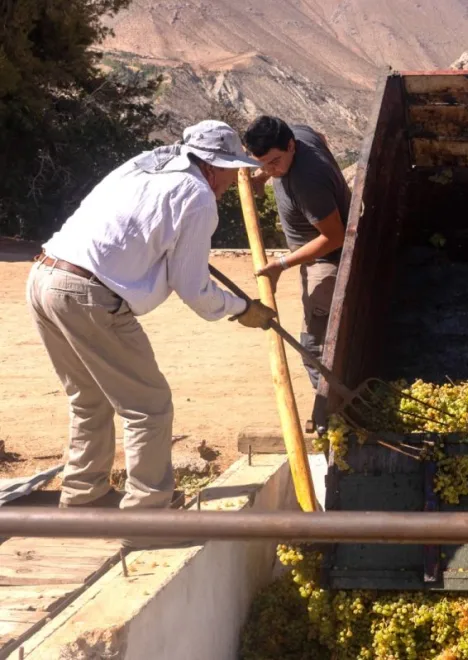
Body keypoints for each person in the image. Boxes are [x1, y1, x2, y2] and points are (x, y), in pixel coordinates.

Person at [27, 120, 276, 517]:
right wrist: (243, 309)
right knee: (149, 407)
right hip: (89, 294)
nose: (232, 180)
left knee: (89, 399)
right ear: (212, 166)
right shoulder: (197, 196)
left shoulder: (146, 164)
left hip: (45, 276)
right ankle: (147, 515)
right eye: (230, 170)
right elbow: (193, 289)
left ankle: (84, 497)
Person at [242, 116, 351, 391]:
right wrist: (262, 176)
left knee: (316, 345)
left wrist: (280, 264)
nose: (271, 169)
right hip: (313, 254)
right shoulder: (299, 135)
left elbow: (334, 236)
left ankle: (330, 406)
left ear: (291, 146)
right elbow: (320, 137)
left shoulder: (308, 181)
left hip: (328, 260)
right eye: (262, 163)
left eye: (274, 162)